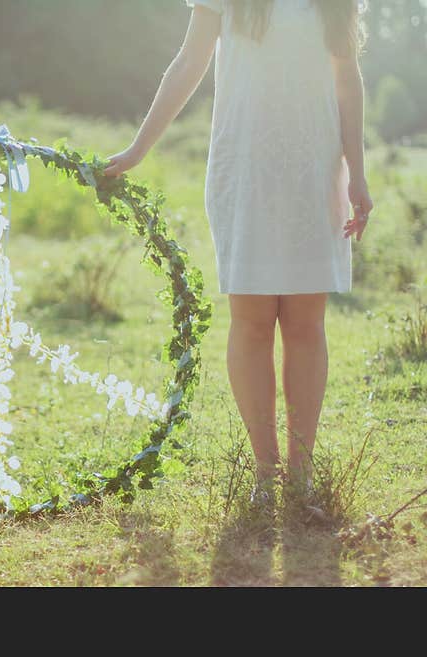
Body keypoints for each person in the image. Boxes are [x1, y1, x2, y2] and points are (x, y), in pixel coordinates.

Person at [104, 0, 373, 503]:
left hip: (313, 167)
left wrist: (356, 171)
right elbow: (188, 61)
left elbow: (347, 76)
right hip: (244, 164)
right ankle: (265, 475)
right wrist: (138, 149)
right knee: (249, 320)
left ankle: (302, 472)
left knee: (305, 322)